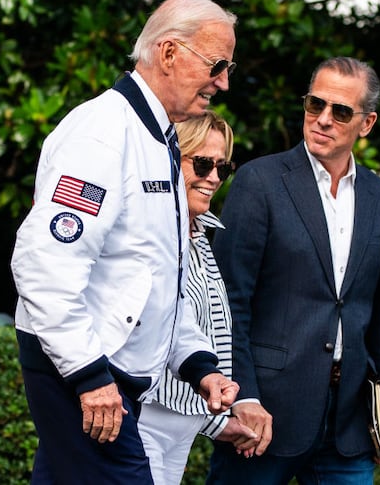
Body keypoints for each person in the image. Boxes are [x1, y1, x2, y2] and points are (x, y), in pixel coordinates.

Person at [10, 0, 240, 484]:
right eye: (217, 64)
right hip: (85, 372)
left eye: (228, 67)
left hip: (109, 374)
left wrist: (200, 366)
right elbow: (43, 265)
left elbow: (155, 275)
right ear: (170, 53)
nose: (222, 81)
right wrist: (89, 379)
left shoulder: (160, 137)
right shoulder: (102, 133)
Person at [206, 56, 380, 484]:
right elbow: (226, 303)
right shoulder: (260, 182)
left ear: (367, 123)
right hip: (264, 414)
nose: (322, 120)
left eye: (340, 111)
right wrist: (243, 396)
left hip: (349, 423)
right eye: (315, 105)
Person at [138, 110, 258, 485]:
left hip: (185, 423)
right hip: (147, 414)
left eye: (223, 167)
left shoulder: (201, 232)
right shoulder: (151, 228)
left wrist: (216, 419)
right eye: (203, 164)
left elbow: (208, 331)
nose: (214, 178)